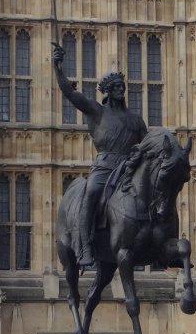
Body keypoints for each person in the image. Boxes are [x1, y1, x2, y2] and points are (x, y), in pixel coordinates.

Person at [52, 42, 147, 268]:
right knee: (92, 192)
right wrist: (57, 67)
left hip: (129, 168)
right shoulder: (97, 111)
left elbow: (145, 146)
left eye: (121, 85)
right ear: (107, 91)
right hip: (105, 166)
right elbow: (70, 93)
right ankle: (84, 247)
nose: (120, 88)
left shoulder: (136, 120)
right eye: (115, 86)